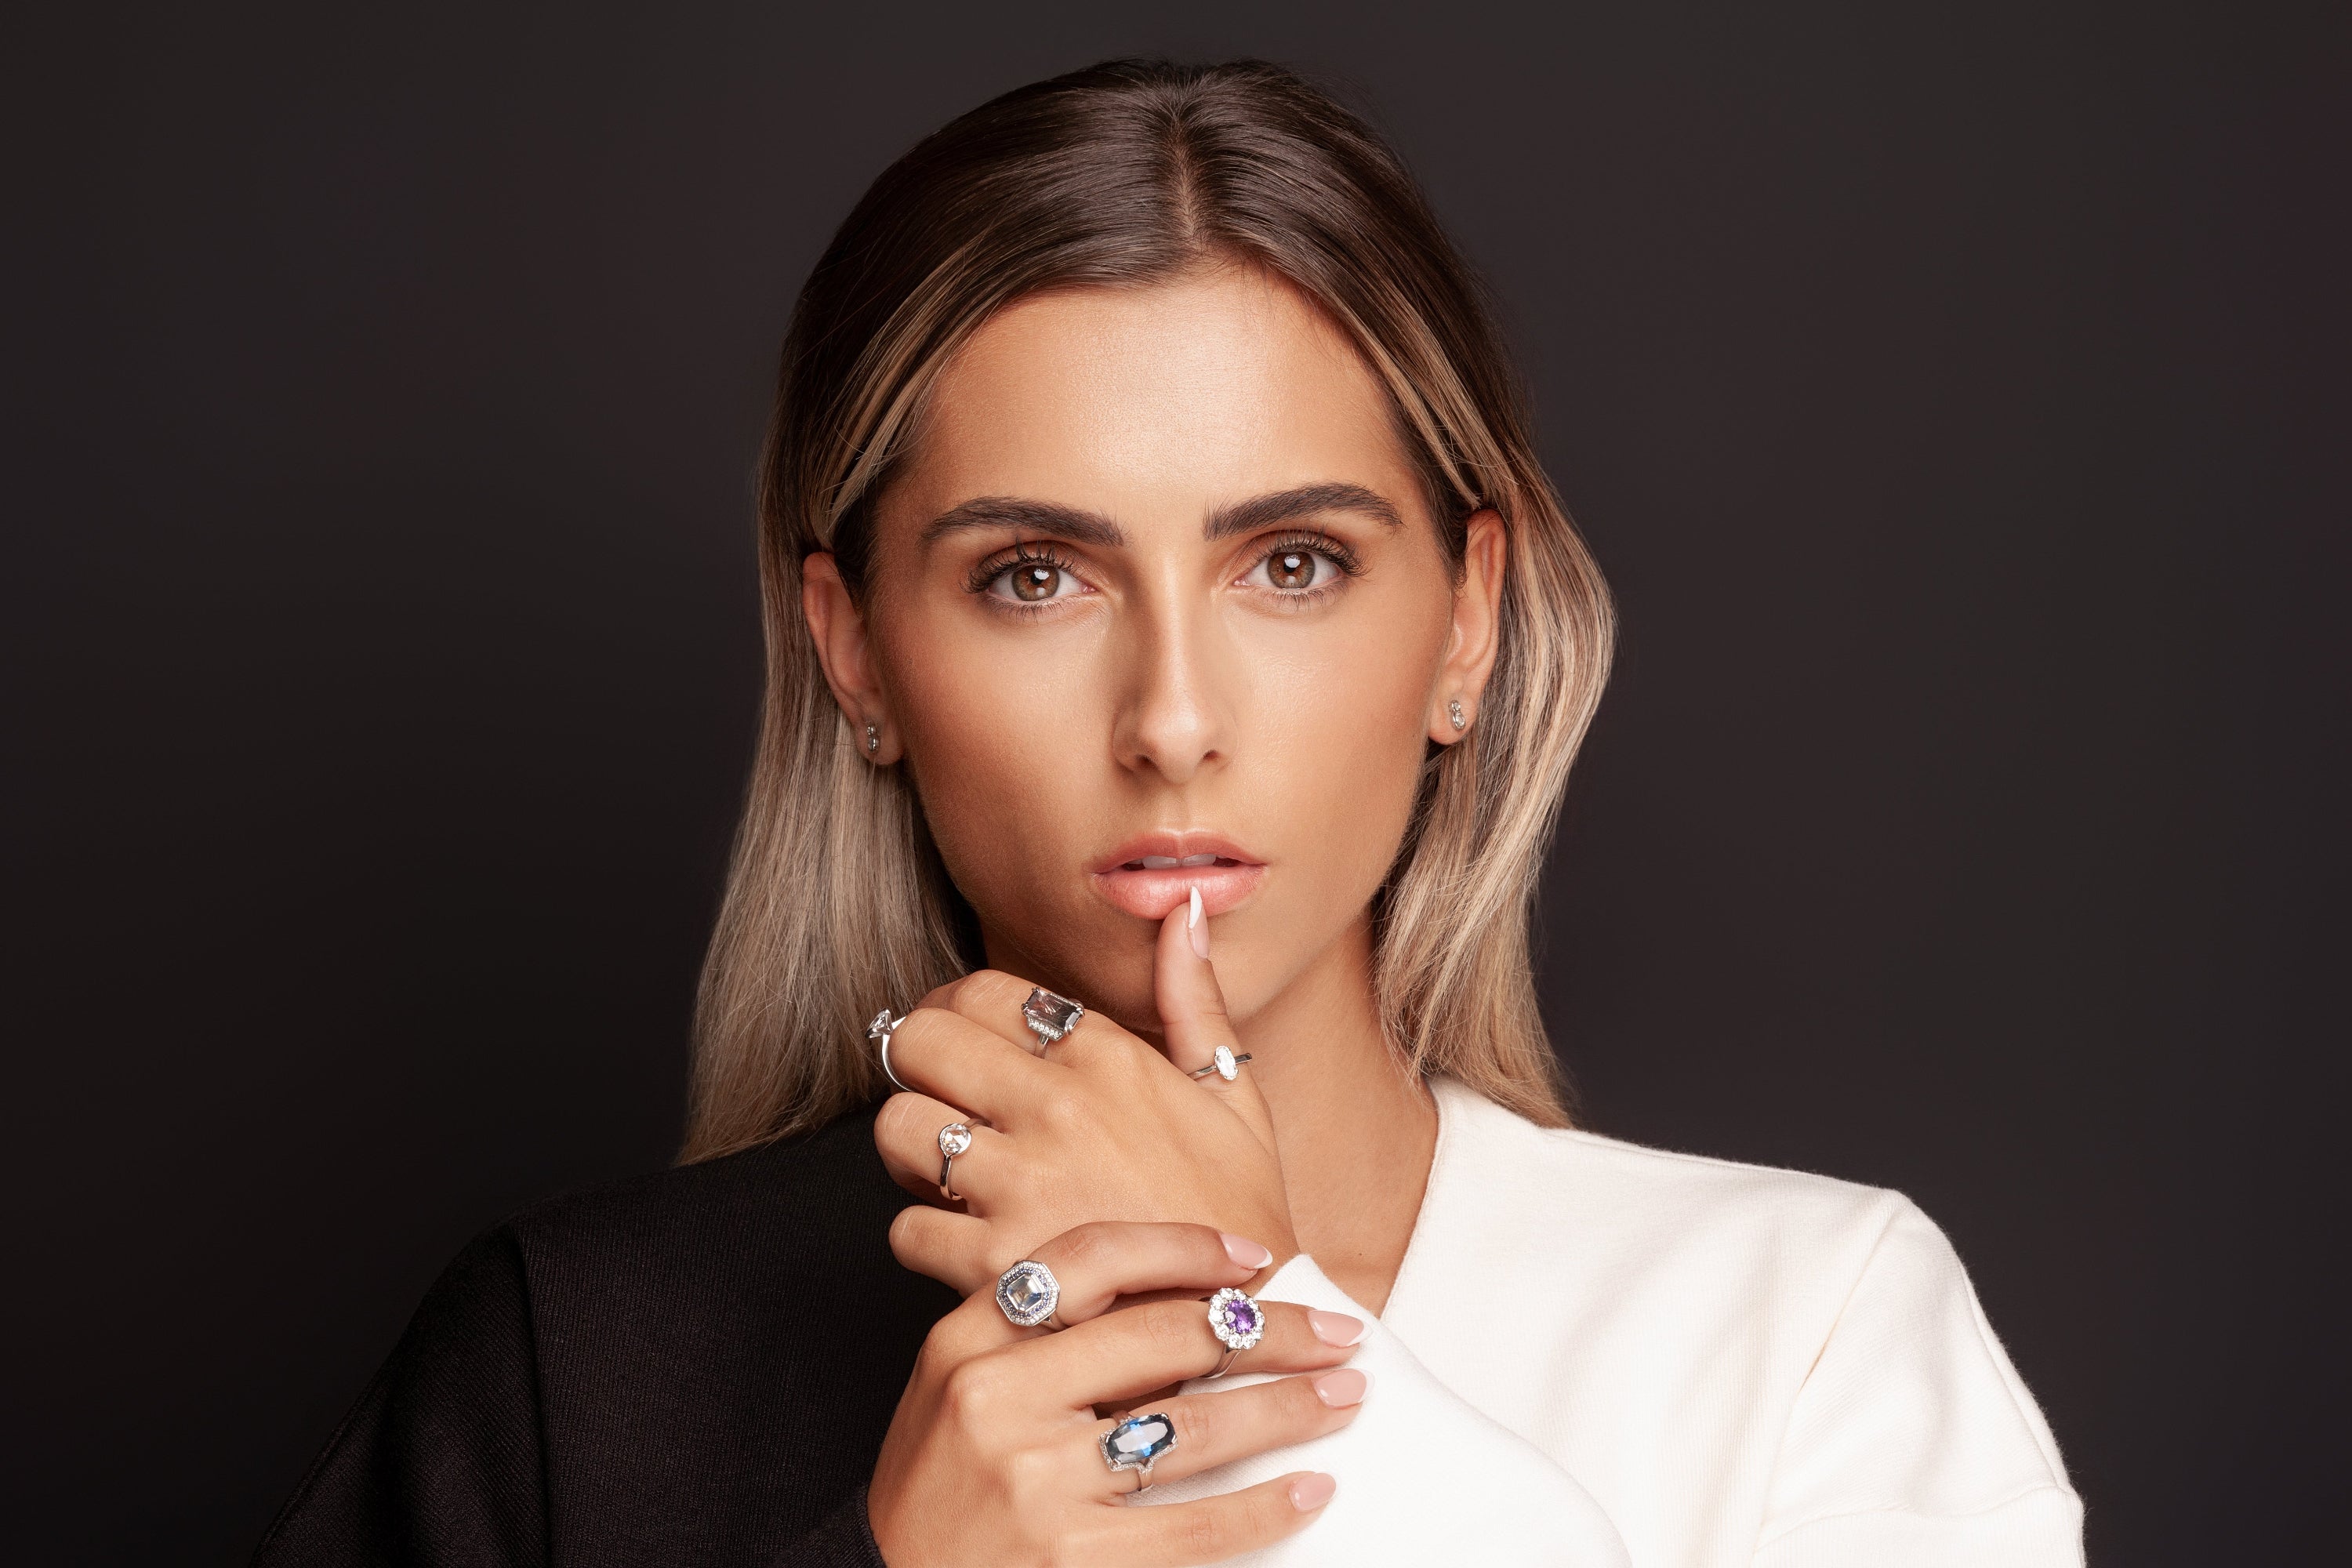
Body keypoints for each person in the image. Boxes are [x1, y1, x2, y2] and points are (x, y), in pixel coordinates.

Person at [254, 59, 2083, 1567]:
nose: (1175, 720)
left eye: (1292, 562)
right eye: (1037, 576)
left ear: (1465, 628)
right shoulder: (573, 1371)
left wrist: (1269, 1318)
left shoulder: (1811, 1331)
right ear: (858, 656)